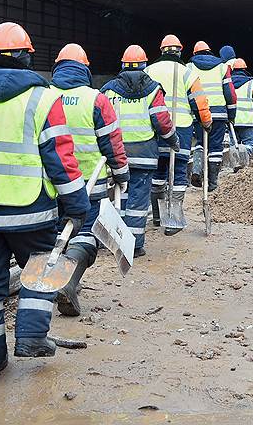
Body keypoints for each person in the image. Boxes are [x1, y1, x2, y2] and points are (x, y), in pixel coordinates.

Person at [0, 22, 89, 385]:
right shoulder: (43, 98)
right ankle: (32, 337)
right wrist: (77, 203)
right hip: (30, 210)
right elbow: (60, 159)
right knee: (40, 271)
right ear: (26, 57)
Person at [49, 44, 129, 316]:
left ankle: (49, 281)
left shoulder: (44, 96)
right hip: (88, 184)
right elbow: (112, 143)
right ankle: (69, 281)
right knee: (85, 235)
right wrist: (121, 173)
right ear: (85, 68)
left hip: (50, 183)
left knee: (55, 232)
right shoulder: (96, 100)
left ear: (57, 67)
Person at [101, 45, 179, 258]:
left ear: (123, 65)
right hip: (144, 154)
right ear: (144, 65)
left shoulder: (108, 90)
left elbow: (99, 120)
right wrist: (173, 139)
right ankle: (134, 246)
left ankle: (116, 240)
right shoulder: (153, 89)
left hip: (117, 154)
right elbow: (162, 121)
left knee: (120, 197)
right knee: (138, 202)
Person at [144, 34, 211, 235]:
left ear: (162, 51)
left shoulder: (148, 71)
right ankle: (173, 218)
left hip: (155, 128)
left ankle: (157, 214)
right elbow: (199, 102)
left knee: (158, 171)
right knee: (179, 171)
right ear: (179, 51)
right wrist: (206, 122)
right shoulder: (187, 72)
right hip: (180, 129)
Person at [186, 42, 237, 192]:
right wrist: (231, 115)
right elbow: (230, 94)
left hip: (199, 114)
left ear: (195, 54)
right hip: (219, 115)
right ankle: (212, 183)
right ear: (210, 51)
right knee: (215, 147)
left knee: (201, 142)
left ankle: (196, 170)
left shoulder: (189, 67)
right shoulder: (222, 67)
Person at [230, 58, 253, 158]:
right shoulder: (251, 84)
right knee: (251, 145)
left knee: (234, 145)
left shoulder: (228, 83)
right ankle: (243, 158)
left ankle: (237, 162)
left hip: (232, 122)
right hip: (247, 122)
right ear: (245, 70)